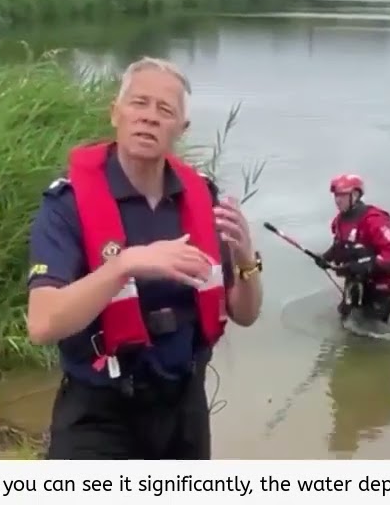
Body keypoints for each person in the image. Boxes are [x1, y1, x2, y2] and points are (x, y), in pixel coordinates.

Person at [25, 57, 265, 460]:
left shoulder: (202, 197)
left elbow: (246, 313)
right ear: (115, 113)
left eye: (165, 110)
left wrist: (245, 258)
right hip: (100, 412)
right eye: (139, 103)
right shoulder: (68, 204)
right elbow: (42, 324)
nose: (150, 117)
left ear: (181, 129)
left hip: (184, 410)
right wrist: (126, 264)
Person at [319, 173, 390, 322]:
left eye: (342, 195)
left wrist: (364, 265)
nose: (337, 200)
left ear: (355, 195)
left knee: (372, 328)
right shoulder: (339, 220)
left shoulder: (374, 220)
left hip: (380, 285)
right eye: (336, 196)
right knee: (344, 320)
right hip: (355, 281)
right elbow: (340, 245)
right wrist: (325, 258)